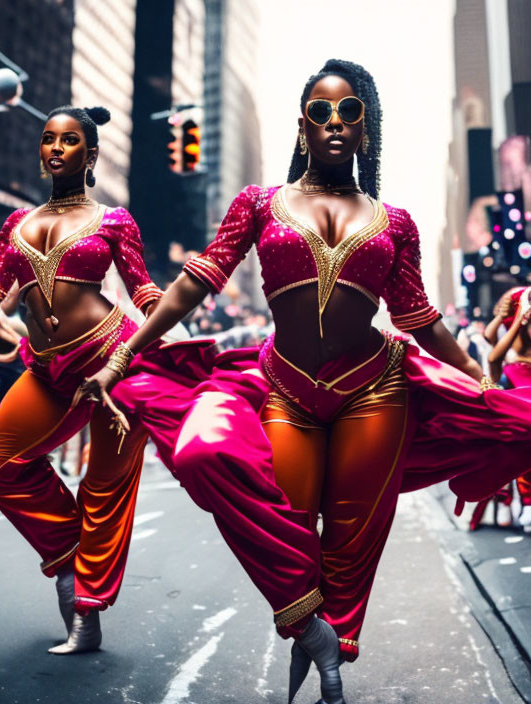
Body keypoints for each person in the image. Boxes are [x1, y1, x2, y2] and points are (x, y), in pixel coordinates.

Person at [80, 59, 531, 704]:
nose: (336, 124)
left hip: (375, 390)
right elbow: (191, 286)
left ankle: (333, 672)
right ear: (302, 127)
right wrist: (122, 359)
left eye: (351, 113)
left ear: (367, 131)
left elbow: (420, 320)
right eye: (321, 112)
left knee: (350, 544)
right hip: (283, 387)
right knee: (230, 475)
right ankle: (310, 632)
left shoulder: (395, 221)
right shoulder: (259, 204)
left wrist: (478, 381)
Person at [0, 106, 164, 655]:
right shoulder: (15, 223)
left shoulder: (114, 220)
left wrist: (162, 340)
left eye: (71, 141)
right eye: (49, 139)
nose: (58, 148)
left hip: (111, 363)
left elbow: (142, 292)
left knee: (105, 490)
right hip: (45, 369)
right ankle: (71, 553)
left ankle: (85, 616)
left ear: (91, 155)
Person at [485, 287, 531, 530]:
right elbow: (492, 355)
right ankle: (508, 502)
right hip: (510, 418)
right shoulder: (511, 350)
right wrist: (511, 317)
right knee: (504, 457)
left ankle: (526, 504)